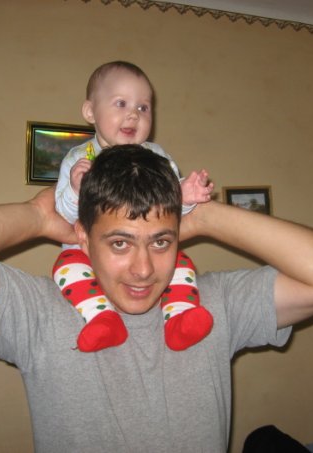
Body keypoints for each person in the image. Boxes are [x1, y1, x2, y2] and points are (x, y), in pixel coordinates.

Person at [0, 146, 313, 452]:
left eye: (161, 242)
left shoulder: (214, 305)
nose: (143, 269)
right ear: (84, 238)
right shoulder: (39, 314)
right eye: (120, 243)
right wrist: (38, 216)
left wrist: (203, 217)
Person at [55, 60, 214, 352]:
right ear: (90, 111)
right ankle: (101, 318)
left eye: (143, 107)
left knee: (180, 265)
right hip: (86, 255)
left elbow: (167, 213)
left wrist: (185, 196)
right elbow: (64, 214)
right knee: (67, 267)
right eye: (121, 104)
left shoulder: (158, 158)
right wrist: (76, 190)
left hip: (148, 253)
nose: (133, 114)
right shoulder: (79, 158)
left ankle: (179, 318)